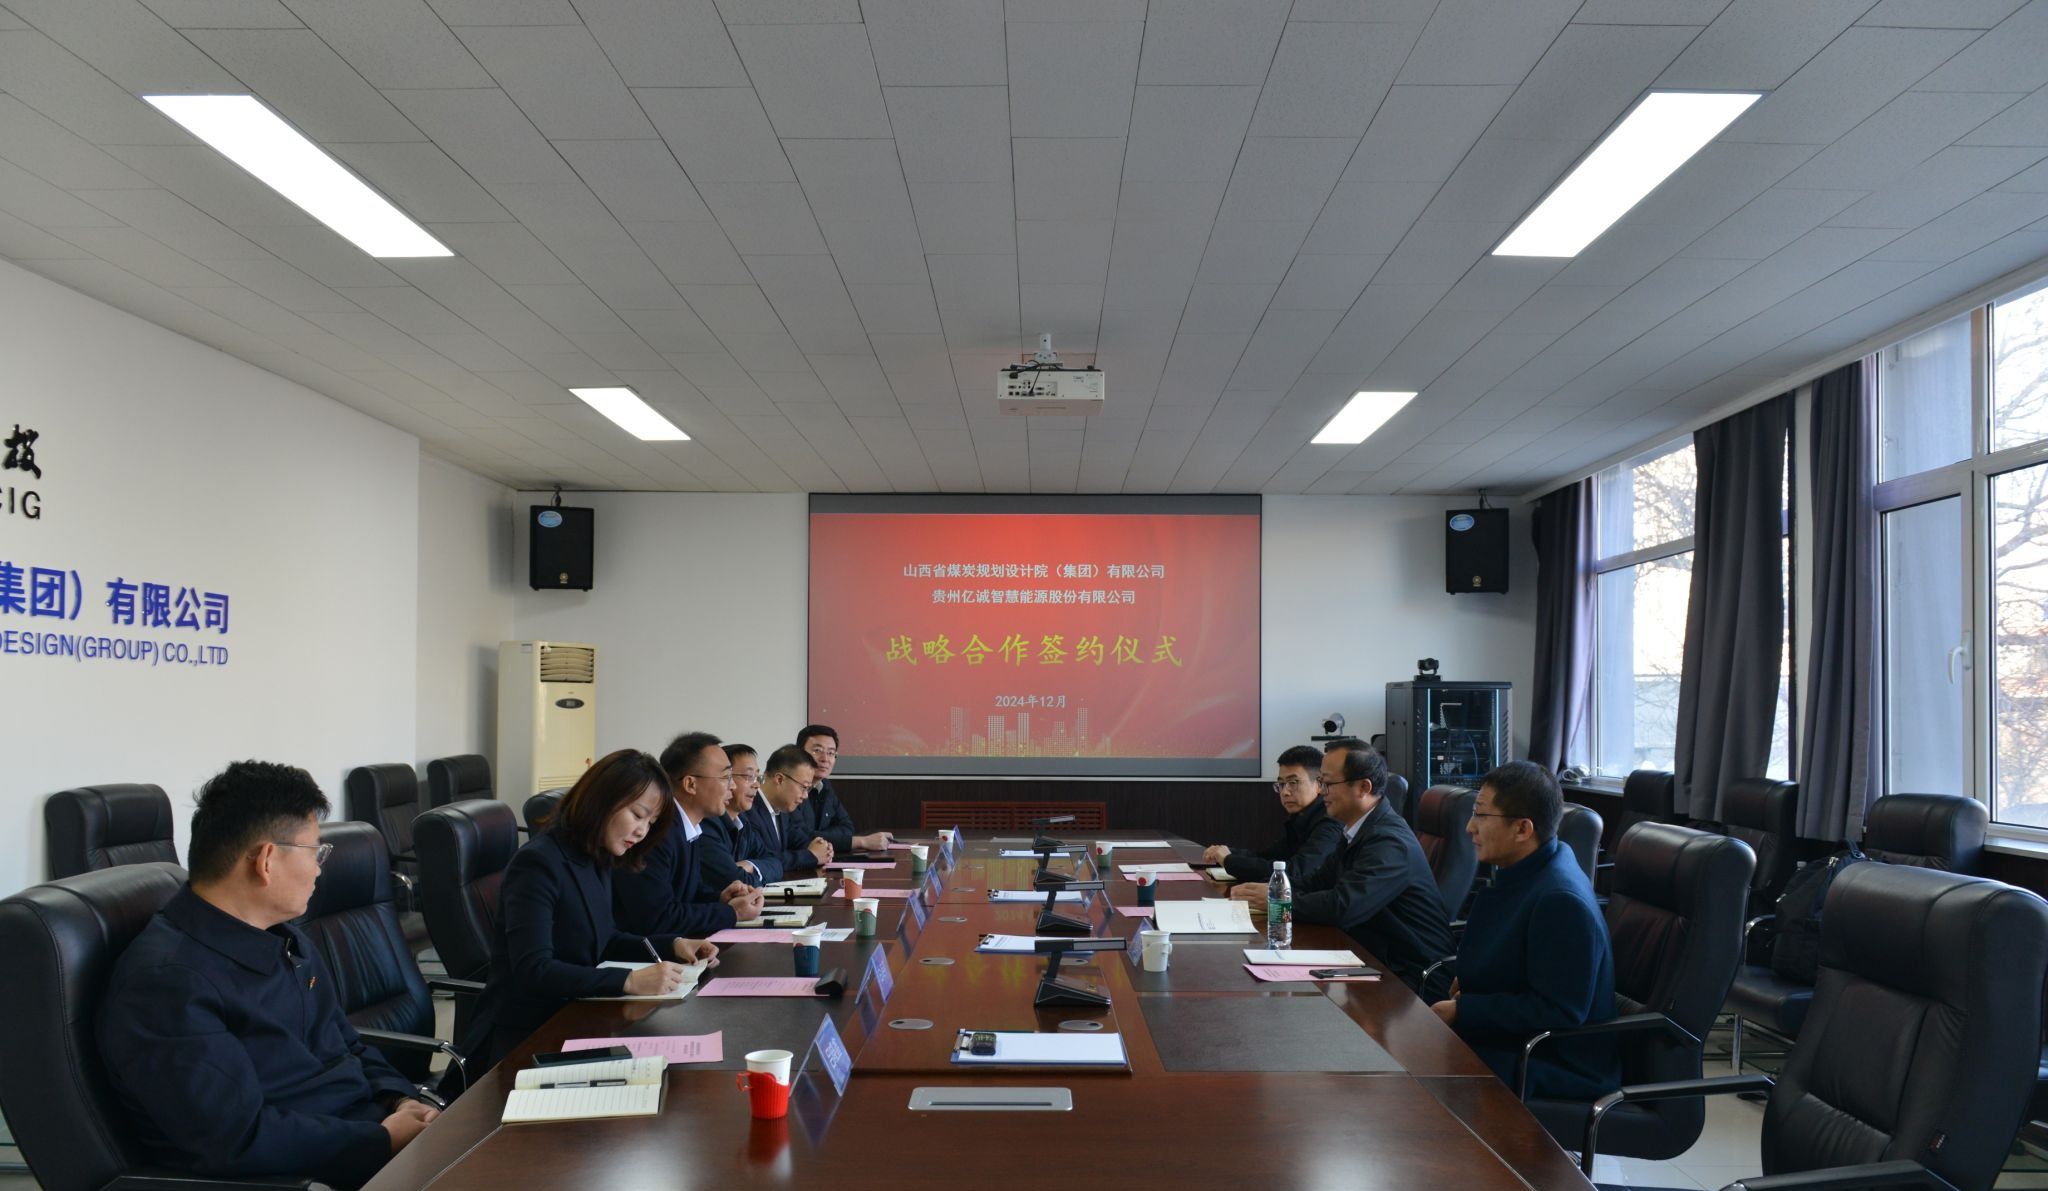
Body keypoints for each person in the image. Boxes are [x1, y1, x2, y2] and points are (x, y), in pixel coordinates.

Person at [98, 760, 436, 1189]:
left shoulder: (286, 941)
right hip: (320, 1173)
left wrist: (401, 1098)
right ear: (267, 860)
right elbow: (237, 1139)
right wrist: (382, 1139)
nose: (319, 869)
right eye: (316, 852)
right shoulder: (168, 983)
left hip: (370, 1139)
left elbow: (347, 1044)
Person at [456, 750, 720, 1077]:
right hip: (523, 1037)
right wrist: (629, 980)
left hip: (574, 1015)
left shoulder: (595, 857)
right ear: (602, 801)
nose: (642, 831)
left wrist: (674, 944)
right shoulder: (539, 863)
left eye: (650, 823)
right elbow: (534, 970)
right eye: (638, 815)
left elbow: (603, 939)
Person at [1431, 761, 1617, 1099]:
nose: (1470, 827)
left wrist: (1464, 1010)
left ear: (1522, 829)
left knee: (1418, 1070)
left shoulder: (1560, 899)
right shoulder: (1530, 868)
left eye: (1481, 815)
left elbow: (1559, 1010)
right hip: (1514, 1039)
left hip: (1551, 1059)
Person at [1232, 740, 1453, 993]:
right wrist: (1268, 891)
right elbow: (1316, 881)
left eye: (1327, 783)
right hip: (1372, 957)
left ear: (1363, 787)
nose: (1322, 791)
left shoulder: (1389, 841)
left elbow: (1344, 906)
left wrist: (1280, 902)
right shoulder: (1357, 830)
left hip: (1412, 975)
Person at [615, 732, 766, 935]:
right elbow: (658, 918)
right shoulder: (657, 832)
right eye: (726, 777)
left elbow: (685, 894)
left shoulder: (687, 825)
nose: (732, 786)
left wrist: (721, 898)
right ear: (690, 784)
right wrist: (731, 912)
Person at [1201, 744, 1342, 883]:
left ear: (1319, 784)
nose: (1285, 792)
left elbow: (1297, 872)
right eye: (1281, 784)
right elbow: (1268, 856)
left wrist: (1229, 860)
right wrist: (1227, 852)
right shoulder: (1301, 818)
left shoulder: (1329, 823)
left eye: (1293, 783)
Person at [795, 724, 893, 852]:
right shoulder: (791, 789)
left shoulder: (825, 786)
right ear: (799, 753)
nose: (825, 759)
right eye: (817, 751)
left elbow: (847, 827)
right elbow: (800, 837)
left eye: (831, 753)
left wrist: (818, 836)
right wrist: (861, 841)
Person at [701, 742, 772, 888]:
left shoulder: (743, 822)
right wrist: (748, 874)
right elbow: (735, 880)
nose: (756, 785)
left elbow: (774, 862)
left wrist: (750, 865)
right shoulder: (707, 824)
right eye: (749, 776)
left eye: (758, 777)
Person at [756, 743, 832, 872]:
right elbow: (763, 860)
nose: (805, 796)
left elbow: (798, 840)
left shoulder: (783, 809)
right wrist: (811, 856)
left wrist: (822, 848)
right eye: (804, 787)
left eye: (808, 789)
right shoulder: (748, 810)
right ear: (779, 779)